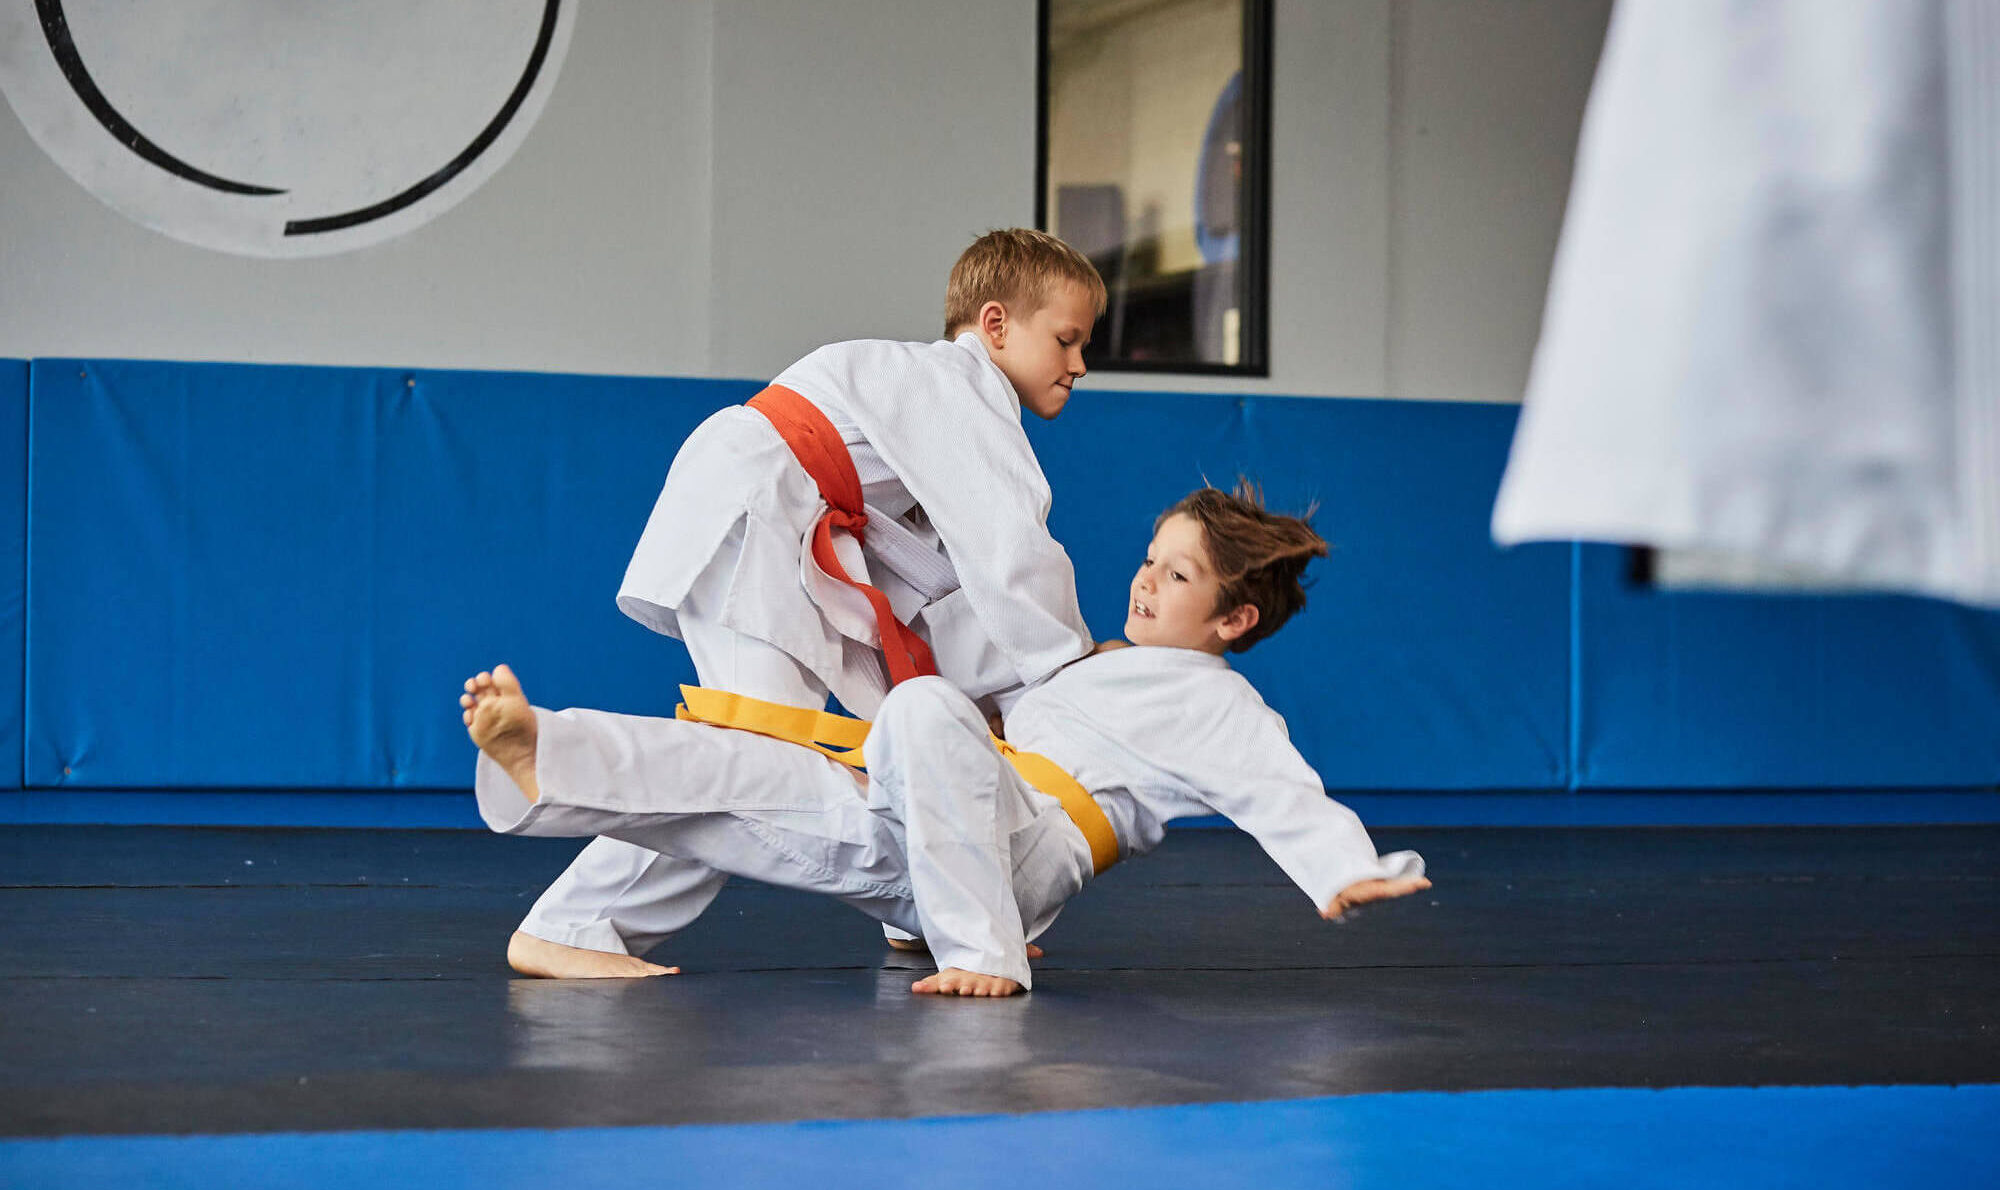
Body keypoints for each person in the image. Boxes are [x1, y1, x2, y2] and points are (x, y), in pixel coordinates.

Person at [463, 484, 1431, 996]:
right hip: (938, 832)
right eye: (1149, 559)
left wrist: (1345, 868)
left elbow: (1279, 789)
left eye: (1177, 577)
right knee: (741, 768)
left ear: (1234, 618)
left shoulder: (1215, 700)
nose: (1144, 580)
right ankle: (549, 777)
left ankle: (984, 953)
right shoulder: (1087, 662)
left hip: (1027, 851)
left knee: (924, 707)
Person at [508, 229, 1109, 979]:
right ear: (995, 325)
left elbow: (948, 587)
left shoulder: (921, 400)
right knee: (756, 754)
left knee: (856, 746)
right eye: (1066, 340)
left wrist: (995, 701)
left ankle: (934, 906)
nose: (1079, 365)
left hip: (779, 524)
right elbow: (1013, 551)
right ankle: (576, 920)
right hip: (759, 512)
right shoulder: (957, 386)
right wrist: (1077, 679)